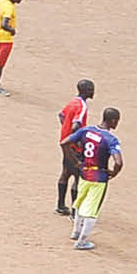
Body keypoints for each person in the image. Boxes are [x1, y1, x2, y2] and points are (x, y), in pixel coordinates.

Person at [62, 106, 123, 252]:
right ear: (113, 121)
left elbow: (64, 142)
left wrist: (76, 162)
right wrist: (113, 173)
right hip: (98, 177)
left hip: (84, 172)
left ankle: (75, 232)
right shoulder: (111, 139)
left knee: (80, 202)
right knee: (92, 210)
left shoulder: (86, 130)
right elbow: (119, 162)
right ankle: (82, 241)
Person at [56, 78, 94, 216]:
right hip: (74, 147)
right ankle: (74, 212)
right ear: (85, 91)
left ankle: (60, 206)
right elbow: (76, 125)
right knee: (79, 177)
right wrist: (77, 140)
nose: (93, 91)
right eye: (91, 89)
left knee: (66, 173)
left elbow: (61, 115)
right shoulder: (82, 106)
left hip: (65, 144)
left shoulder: (73, 102)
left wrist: (64, 130)